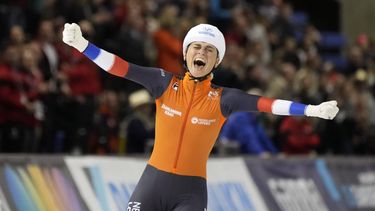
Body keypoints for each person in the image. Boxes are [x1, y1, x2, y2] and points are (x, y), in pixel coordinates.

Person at [62, 22, 339, 211]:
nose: (201, 53)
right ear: (185, 52)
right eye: (196, 47)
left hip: (190, 191)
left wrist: (310, 110)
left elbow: (268, 104)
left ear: (216, 61)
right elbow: (120, 67)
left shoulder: (224, 99)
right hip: (152, 183)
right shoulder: (163, 83)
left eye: (209, 50)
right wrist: (83, 45)